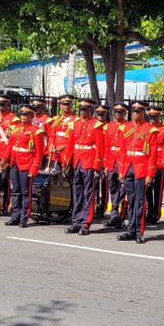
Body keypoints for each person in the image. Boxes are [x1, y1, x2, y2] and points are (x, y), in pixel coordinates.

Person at [118, 102, 158, 244]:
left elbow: (152, 155)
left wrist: (150, 174)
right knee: (131, 200)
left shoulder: (150, 130)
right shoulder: (126, 128)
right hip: (128, 167)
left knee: (140, 201)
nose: (136, 113)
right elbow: (122, 151)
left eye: (139, 111)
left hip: (141, 168)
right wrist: (121, 170)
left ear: (144, 112)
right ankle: (130, 229)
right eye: (134, 110)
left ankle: (138, 231)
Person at [65, 99, 104, 235]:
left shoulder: (96, 125)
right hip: (77, 160)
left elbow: (99, 148)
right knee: (77, 192)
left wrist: (96, 166)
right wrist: (67, 161)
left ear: (91, 110)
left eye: (86, 109)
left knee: (88, 193)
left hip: (89, 161)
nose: (83, 112)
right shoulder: (74, 124)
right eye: (81, 109)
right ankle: (76, 221)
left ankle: (85, 222)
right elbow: (70, 144)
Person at [6, 105, 46, 227]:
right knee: (15, 191)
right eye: (21, 114)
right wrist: (5, 160)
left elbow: (39, 152)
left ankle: (24, 216)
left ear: (31, 116)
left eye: (26, 114)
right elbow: (10, 146)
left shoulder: (36, 131)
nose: (23, 116)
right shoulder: (15, 129)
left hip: (27, 163)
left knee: (25, 192)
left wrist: (34, 167)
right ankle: (15, 215)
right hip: (15, 162)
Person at [103, 103, 130, 229]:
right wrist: (105, 164)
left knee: (123, 189)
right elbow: (106, 146)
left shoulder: (129, 126)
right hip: (111, 161)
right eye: (116, 112)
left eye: (121, 112)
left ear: (125, 113)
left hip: (122, 161)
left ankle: (121, 216)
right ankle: (114, 215)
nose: (118, 114)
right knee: (112, 188)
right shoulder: (109, 126)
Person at [145, 105, 164, 225]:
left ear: (159, 116)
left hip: (159, 163)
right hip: (147, 163)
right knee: (147, 190)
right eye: (151, 116)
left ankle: (156, 214)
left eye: (155, 116)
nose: (152, 119)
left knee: (157, 191)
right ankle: (148, 212)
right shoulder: (145, 129)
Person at [48, 95, 77, 174]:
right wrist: (51, 144)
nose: (66, 106)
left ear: (71, 105)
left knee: (68, 179)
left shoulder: (76, 120)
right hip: (55, 153)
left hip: (67, 152)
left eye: (68, 104)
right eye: (64, 104)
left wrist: (64, 146)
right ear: (60, 105)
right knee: (55, 179)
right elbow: (52, 135)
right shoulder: (57, 119)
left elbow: (75, 139)